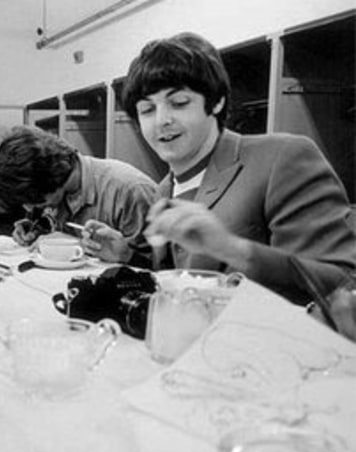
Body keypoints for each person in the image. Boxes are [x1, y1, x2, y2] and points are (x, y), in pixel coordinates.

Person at [124, 32, 356, 303]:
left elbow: (343, 286)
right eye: (147, 110)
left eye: (179, 103)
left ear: (217, 101)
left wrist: (233, 249)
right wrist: (123, 253)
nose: (161, 120)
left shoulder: (283, 157)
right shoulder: (164, 189)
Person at [0, 125, 158, 264]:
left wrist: (127, 255)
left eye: (31, 201)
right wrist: (37, 231)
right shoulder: (56, 188)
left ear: (49, 177)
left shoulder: (129, 191)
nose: (29, 208)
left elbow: (166, 271)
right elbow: (55, 223)